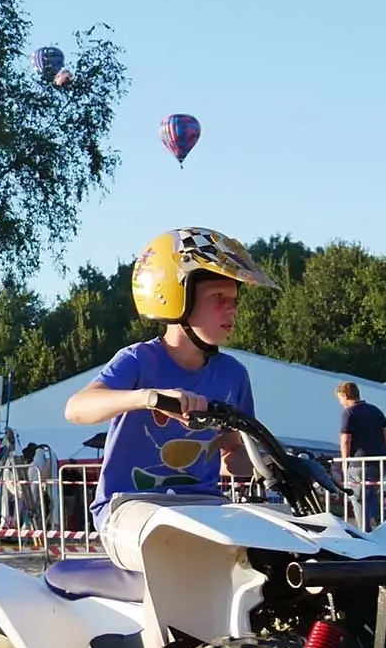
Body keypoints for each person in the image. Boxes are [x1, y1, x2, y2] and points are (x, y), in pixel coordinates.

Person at [64, 227, 276, 572]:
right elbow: (75, 409)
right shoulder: (137, 360)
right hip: (128, 507)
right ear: (176, 299)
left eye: (234, 301)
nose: (232, 311)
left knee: (268, 558)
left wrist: (277, 467)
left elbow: (232, 455)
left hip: (202, 508)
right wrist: (150, 398)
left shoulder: (233, 374)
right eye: (218, 299)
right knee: (178, 549)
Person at [334, 380, 386, 528]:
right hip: (378, 462)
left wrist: (345, 462)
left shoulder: (349, 413)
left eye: (340, 399)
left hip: (359, 463)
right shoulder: (375, 410)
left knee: (358, 498)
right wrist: (384, 454)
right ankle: (384, 525)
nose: (340, 403)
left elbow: (346, 439)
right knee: (372, 495)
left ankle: (365, 532)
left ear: (345, 395)